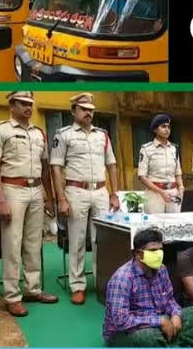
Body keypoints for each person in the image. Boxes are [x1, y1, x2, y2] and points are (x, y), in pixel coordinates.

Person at [51, 92, 121, 305]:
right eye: (84, 109)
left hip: (100, 191)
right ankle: (78, 285)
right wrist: (61, 199)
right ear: (73, 111)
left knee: (102, 240)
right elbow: (55, 167)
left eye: (91, 109)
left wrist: (114, 193)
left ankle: (102, 284)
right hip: (76, 191)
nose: (88, 113)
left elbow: (111, 165)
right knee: (78, 240)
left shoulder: (103, 135)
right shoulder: (63, 135)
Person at [0, 91, 58, 316]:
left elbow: (47, 167)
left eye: (30, 104)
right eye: (22, 104)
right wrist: (0, 199)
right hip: (12, 189)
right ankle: (12, 296)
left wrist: (49, 196)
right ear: (11, 105)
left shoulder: (40, 134)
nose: (28, 108)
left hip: (37, 190)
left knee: (33, 242)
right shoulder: (1, 130)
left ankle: (33, 289)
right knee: (12, 244)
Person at [103, 229, 193, 347]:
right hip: (125, 332)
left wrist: (175, 314)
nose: (158, 254)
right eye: (153, 250)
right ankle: (173, 341)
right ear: (138, 254)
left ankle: (169, 342)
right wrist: (159, 322)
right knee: (148, 337)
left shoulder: (161, 269)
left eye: (160, 250)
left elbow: (169, 300)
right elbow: (120, 321)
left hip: (159, 320)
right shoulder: (122, 279)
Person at [139, 114, 185, 214]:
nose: (167, 129)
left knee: (174, 224)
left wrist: (181, 188)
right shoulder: (147, 149)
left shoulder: (174, 148)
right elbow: (142, 177)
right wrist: (161, 192)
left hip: (173, 192)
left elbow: (178, 173)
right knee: (155, 226)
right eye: (163, 126)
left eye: (168, 127)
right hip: (155, 193)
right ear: (155, 130)